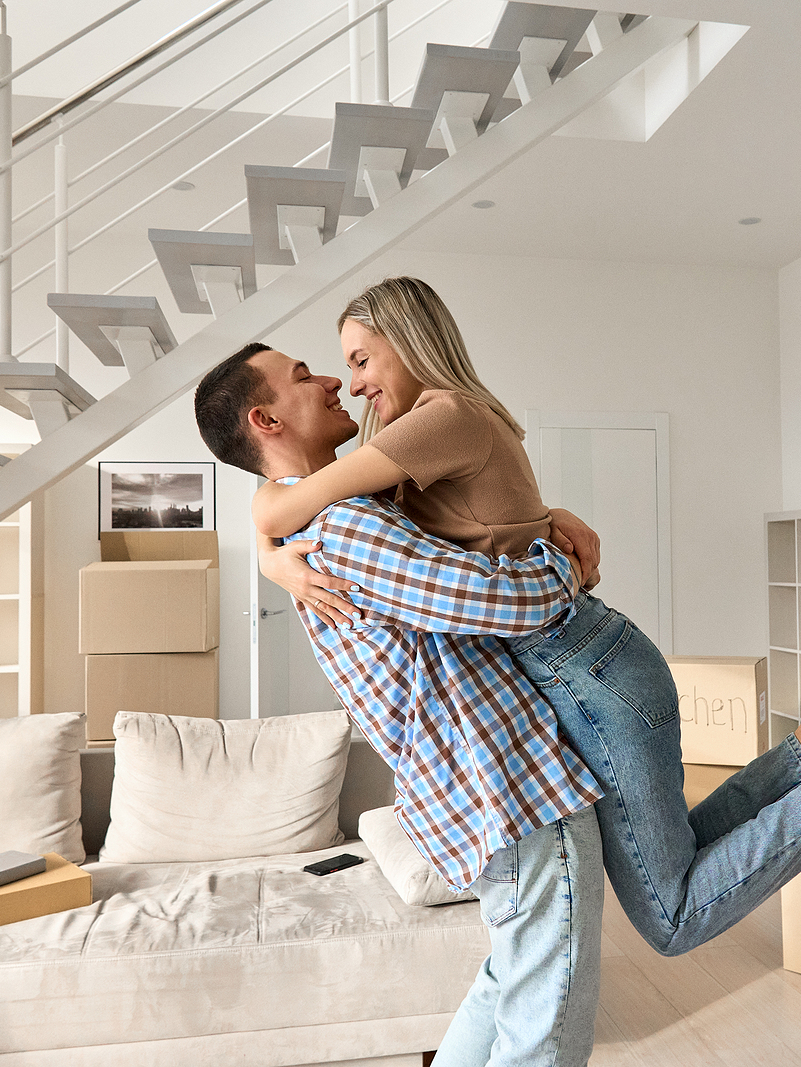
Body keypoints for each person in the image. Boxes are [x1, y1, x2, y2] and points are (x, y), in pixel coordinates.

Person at [249, 277, 801, 958]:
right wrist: (272, 557)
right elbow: (313, 504)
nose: (354, 381)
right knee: (678, 855)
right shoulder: (434, 425)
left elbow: (290, 501)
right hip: (590, 662)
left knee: (672, 916)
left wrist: (270, 551)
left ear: (409, 339)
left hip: (584, 668)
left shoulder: (439, 418)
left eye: (362, 358)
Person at [197, 342, 605, 1066]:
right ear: (265, 418)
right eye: (304, 377)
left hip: (482, 798)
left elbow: (461, 530)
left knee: (507, 982)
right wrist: (564, 564)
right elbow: (505, 602)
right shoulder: (348, 526)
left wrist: (541, 518)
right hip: (514, 789)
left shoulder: (313, 523)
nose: (334, 380)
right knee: (543, 1031)